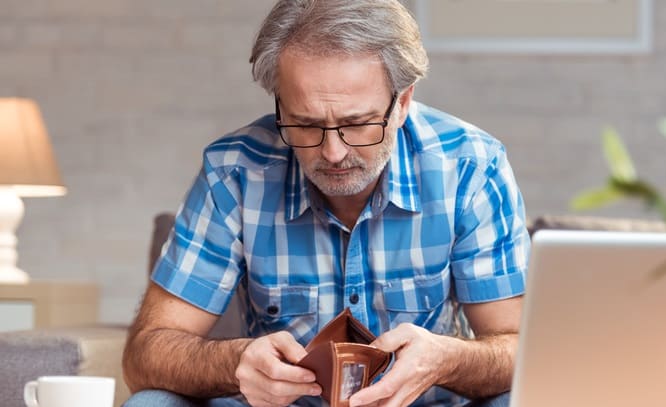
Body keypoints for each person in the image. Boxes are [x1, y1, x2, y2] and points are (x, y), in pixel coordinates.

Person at [121, 1, 530, 406]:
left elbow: (522, 347)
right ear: (280, 103)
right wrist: (234, 362)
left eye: (356, 124)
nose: (333, 153)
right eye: (306, 124)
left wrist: (447, 360)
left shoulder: (470, 168)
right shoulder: (235, 172)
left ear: (402, 103)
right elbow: (146, 355)